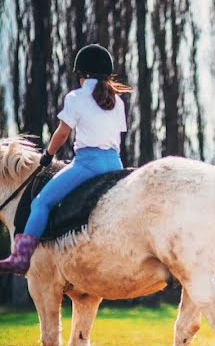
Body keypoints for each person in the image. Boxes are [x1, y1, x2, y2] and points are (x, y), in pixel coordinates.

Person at [0, 44, 130, 275]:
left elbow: (62, 133)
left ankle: (21, 256)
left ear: (82, 74)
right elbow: (115, 136)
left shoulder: (76, 97)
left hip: (88, 164)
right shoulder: (117, 102)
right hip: (115, 165)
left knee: (41, 202)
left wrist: (48, 155)